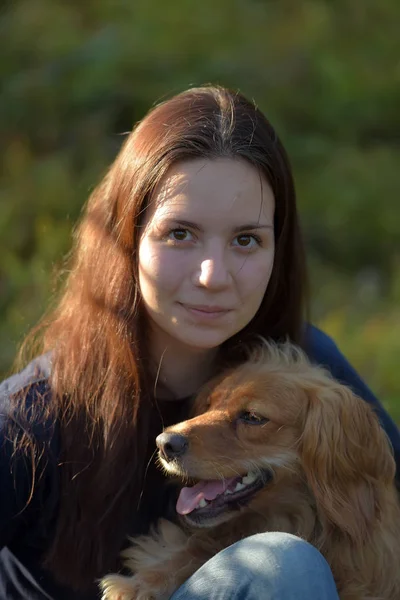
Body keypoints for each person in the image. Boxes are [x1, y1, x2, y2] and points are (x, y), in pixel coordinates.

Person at [0, 85, 399, 600]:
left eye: (246, 239)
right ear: (127, 238)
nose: (214, 276)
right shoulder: (28, 422)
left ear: (279, 249)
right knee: (283, 569)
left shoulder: (304, 376)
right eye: (180, 234)